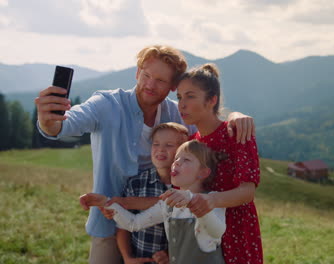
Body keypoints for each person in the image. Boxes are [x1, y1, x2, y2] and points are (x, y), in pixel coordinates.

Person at [34, 45, 255, 264]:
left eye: (160, 80)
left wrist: (236, 116)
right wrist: (48, 121)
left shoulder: (177, 113)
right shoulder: (106, 104)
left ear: (171, 87)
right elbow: (65, 124)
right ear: (137, 72)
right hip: (109, 222)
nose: (150, 84)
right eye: (146, 75)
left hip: (164, 232)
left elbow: (207, 129)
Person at [81, 140, 227, 264]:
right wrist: (107, 202)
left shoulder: (212, 199)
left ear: (203, 172)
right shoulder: (168, 203)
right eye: (176, 158)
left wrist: (193, 200)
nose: (176, 163)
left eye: (186, 160)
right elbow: (134, 223)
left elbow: (217, 231)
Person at [173, 63, 263, 263]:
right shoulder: (190, 143)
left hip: (235, 231)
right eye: (179, 97)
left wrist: (211, 200)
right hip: (201, 233)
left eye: (190, 96)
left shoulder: (237, 134)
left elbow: (247, 192)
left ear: (212, 100)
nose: (182, 104)